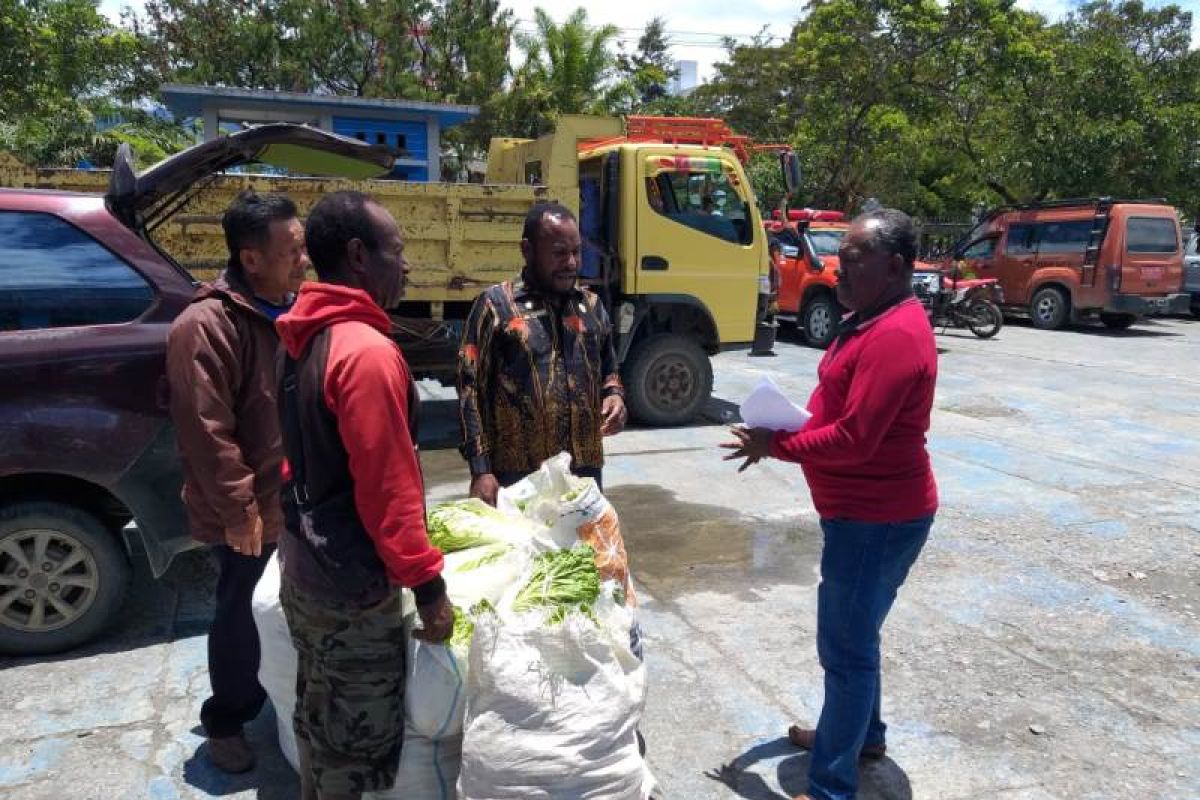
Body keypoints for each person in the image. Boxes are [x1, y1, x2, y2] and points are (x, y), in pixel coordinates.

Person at [722, 209, 938, 800]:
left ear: (895, 267)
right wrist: (787, 424)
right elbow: (834, 408)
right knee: (856, 636)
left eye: (857, 256)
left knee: (844, 646)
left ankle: (831, 787)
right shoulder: (868, 318)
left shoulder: (895, 335)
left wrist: (778, 444)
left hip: (878, 518)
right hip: (864, 514)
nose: (840, 265)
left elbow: (856, 438)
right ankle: (861, 735)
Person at [274, 191, 453, 800]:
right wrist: (430, 591)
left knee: (320, 720)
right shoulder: (367, 354)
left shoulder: (303, 334)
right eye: (396, 252)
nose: (405, 267)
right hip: (352, 589)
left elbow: (296, 459)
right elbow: (388, 494)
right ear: (358, 256)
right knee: (357, 750)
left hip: (305, 567)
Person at [166, 190, 308, 773]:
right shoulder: (205, 325)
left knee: (281, 610)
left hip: (294, 498)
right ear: (251, 260)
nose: (304, 259)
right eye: (292, 249)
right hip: (247, 508)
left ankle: (271, 697)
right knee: (238, 614)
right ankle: (227, 717)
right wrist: (239, 509)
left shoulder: (292, 308)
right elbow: (207, 430)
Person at [457, 201, 627, 503]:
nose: (572, 262)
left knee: (587, 550)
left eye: (576, 251)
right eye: (560, 252)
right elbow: (471, 390)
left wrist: (615, 396)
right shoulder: (495, 306)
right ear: (528, 250)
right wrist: (480, 470)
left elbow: (609, 370)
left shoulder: (591, 306)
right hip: (520, 479)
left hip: (584, 475)